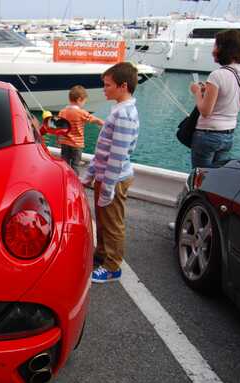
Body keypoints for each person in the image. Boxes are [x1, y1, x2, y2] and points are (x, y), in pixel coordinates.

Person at [81, 62, 139, 283]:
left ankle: (113, 267)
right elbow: (104, 150)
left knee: (113, 224)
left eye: (107, 85)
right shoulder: (119, 110)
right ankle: (102, 254)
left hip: (113, 179)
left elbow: (117, 156)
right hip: (106, 177)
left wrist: (107, 188)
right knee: (104, 220)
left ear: (122, 86)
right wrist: (91, 174)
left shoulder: (123, 115)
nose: (104, 89)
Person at [189, 29, 240, 169]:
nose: (213, 50)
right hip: (228, 135)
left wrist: (197, 92)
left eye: (216, 45)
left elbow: (205, 111)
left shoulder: (217, 75)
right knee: (216, 180)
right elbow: (238, 104)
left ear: (223, 48)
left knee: (200, 178)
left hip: (207, 134)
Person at [57, 85, 105, 173]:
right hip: (76, 144)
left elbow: (59, 128)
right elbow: (93, 119)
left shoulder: (62, 112)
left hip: (64, 143)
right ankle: (74, 183)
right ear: (79, 99)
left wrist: (58, 140)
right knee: (75, 165)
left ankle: (64, 180)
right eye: (84, 102)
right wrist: (103, 123)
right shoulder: (81, 112)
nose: (84, 104)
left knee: (64, 163)